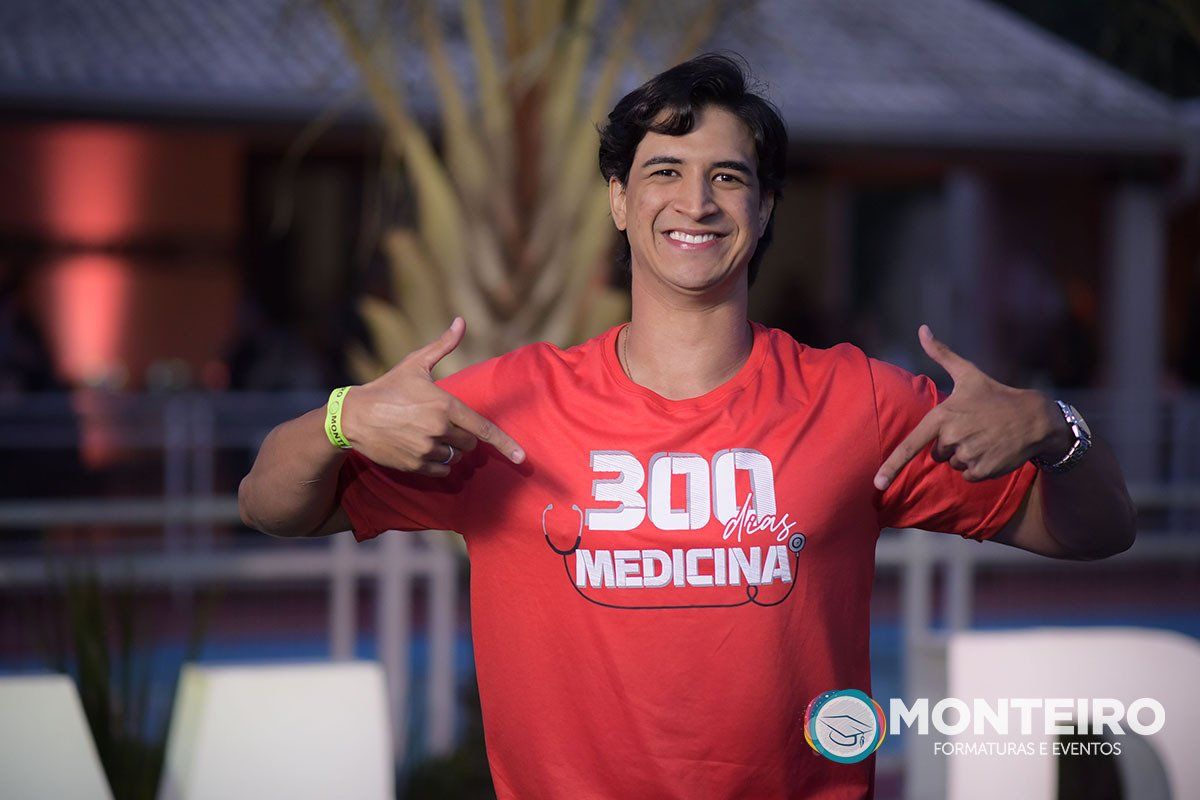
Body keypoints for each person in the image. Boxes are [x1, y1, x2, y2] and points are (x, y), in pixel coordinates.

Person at [239, 53, 1136, 799]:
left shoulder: (858, 401)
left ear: (764, 207)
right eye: (664, 172)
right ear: (619, 201)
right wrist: (341, 418)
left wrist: (1055, 428)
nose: (696, 201)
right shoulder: (508, 405)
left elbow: (1094, 532)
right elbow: (270, 505)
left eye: (727, 177)